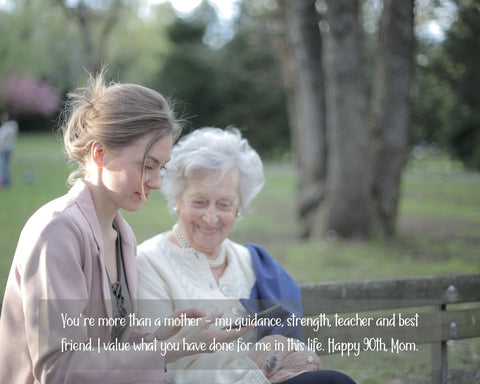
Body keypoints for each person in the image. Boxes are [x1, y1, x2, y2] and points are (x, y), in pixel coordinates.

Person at [0, 74, 249, 384]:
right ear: (100, 153)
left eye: (161, 167)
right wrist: (166, 351)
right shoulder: (57, 230)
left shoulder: (122, 234)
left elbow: (108, 347)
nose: (157, 183)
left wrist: (161, 336)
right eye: (147, 165)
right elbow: (59, 369)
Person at [137, 127, 356, 383]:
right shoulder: (149, 262)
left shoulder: (252, 262)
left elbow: (291, 343)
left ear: (239, 207)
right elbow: (165, 364)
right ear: (178, 201)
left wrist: (290, 352)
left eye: (224, 204)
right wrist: (258, 372)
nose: (210, 217)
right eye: (199, 202)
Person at [0, 110, 19, 188]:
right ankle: (6, 180)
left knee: (4, 165)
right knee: (5, 165)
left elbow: (2, 137)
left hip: (5, 149)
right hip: (9, 148)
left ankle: (6, 181)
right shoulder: (13, 125)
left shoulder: (8, 126)